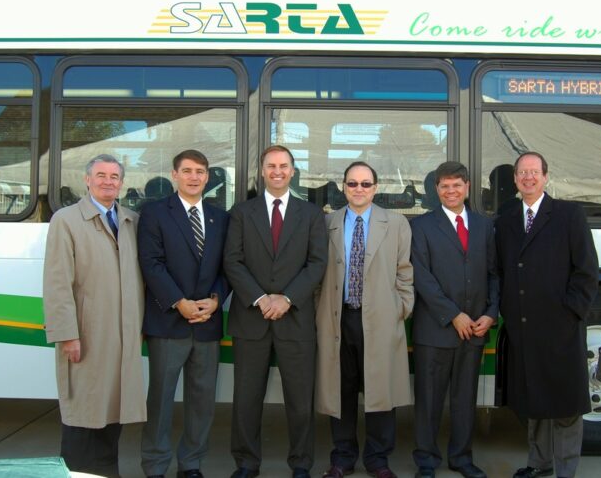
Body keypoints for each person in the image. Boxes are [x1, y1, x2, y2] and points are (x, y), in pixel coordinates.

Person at [223, 145, 328, 478]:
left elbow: (317, 263)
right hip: (251, 318)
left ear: (293, 171)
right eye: (271, 166)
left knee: (300, 401)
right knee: (246, 399)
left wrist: (286, 298)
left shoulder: (311, 214)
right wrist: (260, 298)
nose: (278, 171)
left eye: (284, 166)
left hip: (295, 319)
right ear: (262, 171)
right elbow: (233, 261)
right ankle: (246, 463)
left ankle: (300, 464)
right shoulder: (242, 212)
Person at [494, 152, 598, 478]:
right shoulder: (507, 218)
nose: (528, 178)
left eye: (534, 172)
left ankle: (566, 471)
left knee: (565, 403)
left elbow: (586, 271)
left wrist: (571, 313)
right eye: (522, 173)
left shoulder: (569, 215)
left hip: (561, 327)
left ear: (545, 177)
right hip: (523, 327)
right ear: (514, 179)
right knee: (534, 400)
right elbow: (501, 270)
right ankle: (539, 464)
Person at [43, 153, 145, 477]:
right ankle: (76, 472)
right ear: (87, 180)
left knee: (113, 409)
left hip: (123, 334)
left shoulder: (131, 221)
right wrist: (67, 334)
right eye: (100, 175)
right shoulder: (67, 219)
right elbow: (58, 282)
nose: (107, 182)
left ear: (121, 183)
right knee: (83, 410)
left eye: (114, 177)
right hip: (86, 333)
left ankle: (106, 471)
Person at [315, 161, 414, 478]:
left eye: (366, 184)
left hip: (381, 319)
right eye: (353, 184)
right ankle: (342, 458)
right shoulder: (327, 222)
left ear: (376, 187)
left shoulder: (396, 224)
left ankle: (378, 459)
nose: (359, 189)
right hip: (338, 319)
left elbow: (404, 273)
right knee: (339, 390)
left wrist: (400, 308)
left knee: (380, 390)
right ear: (343, 187)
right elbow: (318, 274)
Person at [138, 150, 231, 478]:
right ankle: (156, 466)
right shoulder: (154, 213)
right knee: (160, 401)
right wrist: (179, 301)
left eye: (201, 172)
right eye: (188, 171)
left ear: (208, 177)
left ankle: (191, 464)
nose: (195, 177)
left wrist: (217, 299)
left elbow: (227, 266)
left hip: (207, 324)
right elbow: (151, 263)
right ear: (175, 175)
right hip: (168, 323)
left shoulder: (221, 217)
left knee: (202, 402)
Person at [410, 161, 499, 478]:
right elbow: (422, 278)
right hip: (435, 330)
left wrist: (490, 314)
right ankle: (426, 461)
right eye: (445, 186)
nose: (451, 191)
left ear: (467, 187)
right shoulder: (420, 227)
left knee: (465, 401)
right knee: (429, 402)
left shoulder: (484, 225)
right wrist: (453, 315)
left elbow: (493, 274)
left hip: (475, 329)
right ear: (437, 190)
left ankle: (461, 458)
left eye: (456, 185)